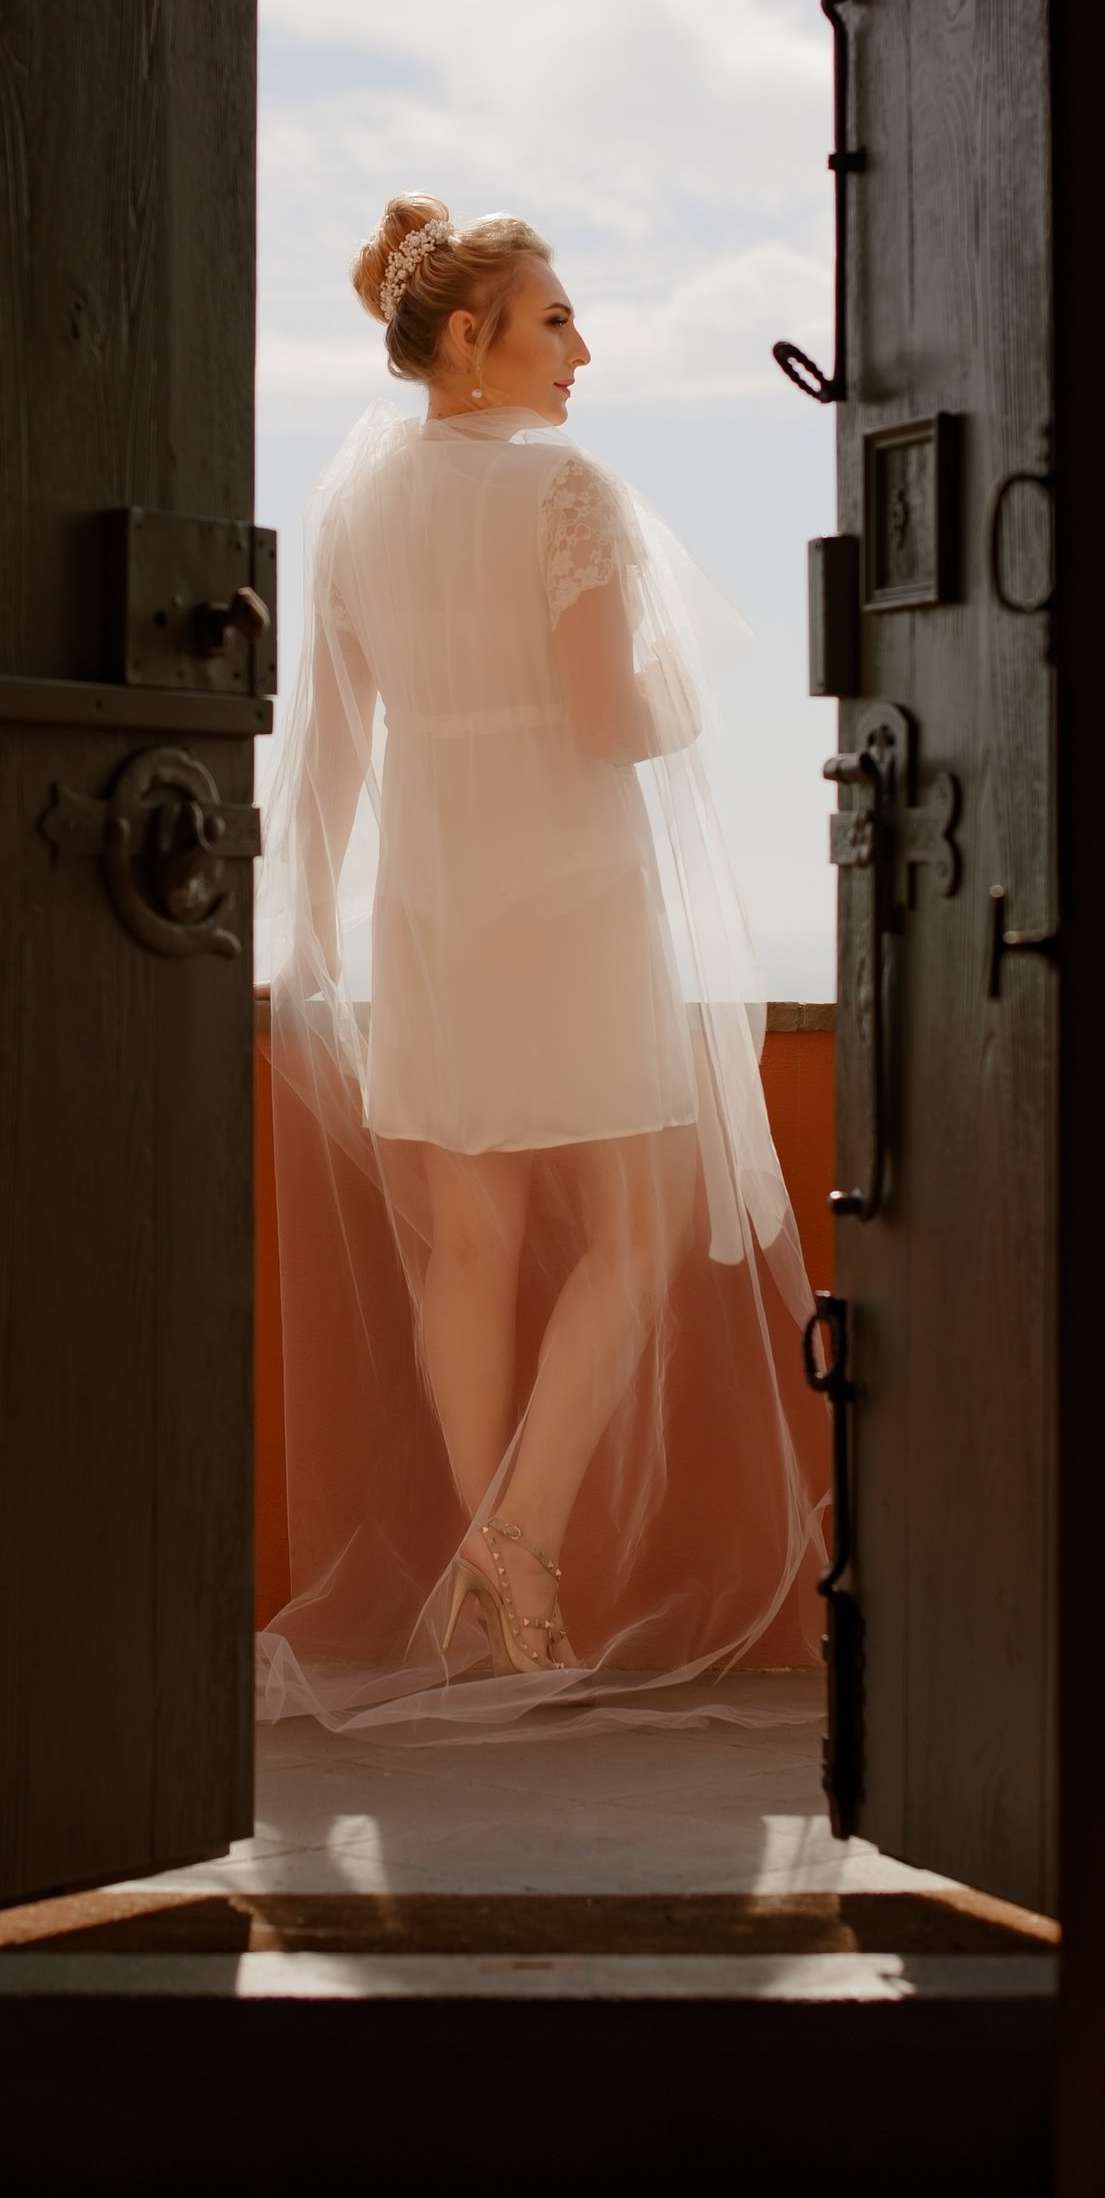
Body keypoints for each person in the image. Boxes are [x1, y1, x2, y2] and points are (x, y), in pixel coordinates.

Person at [257, 195, 826, 1734]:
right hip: (570, 902)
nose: (585, 349)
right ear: (468, 338)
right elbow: (610, 719)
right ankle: (524, 1541)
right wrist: (689, 698)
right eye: (556, 319)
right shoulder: (566, 484)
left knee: (473, 1241)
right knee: (641, 1234)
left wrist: (301, 925)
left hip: (432, 909)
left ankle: (497, 1560)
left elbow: (329, 751)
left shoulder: (358, 503)